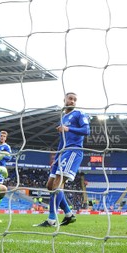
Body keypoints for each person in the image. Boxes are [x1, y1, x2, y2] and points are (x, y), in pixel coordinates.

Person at [34, 92, 90, 227]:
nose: (73, 101)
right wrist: (57, 157)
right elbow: (62, 140)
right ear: (64, 100)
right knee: (50, 185)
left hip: (73, 151)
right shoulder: (63, 118)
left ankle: (51, 219)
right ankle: (69, 214)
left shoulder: (79, 114)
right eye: (70, 99)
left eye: (75, 99)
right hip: (63, 153)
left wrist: (68, 128)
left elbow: (86, 130)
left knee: (57, 184)